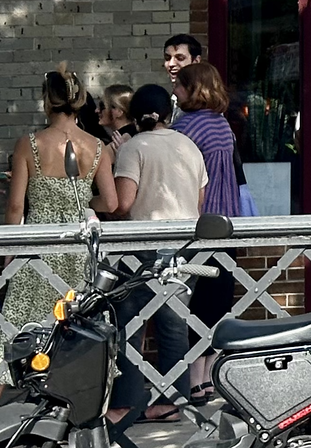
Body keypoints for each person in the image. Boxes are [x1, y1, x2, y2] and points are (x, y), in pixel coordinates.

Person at [0, 69, 117, 400]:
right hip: (78, 247)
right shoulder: (97, 146)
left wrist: (9, 252)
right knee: (76, 332)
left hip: (38, 245)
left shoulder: (29, 144)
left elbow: (15, 206)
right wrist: (83, 200)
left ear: (47, 101)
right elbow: (111, 202)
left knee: (13, 335)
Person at [108, 84, 206, 424]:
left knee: (130, 325)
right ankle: (172, 401)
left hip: (143, 244)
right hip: (185, 245)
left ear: (134, 116)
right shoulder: (189, 146)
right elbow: (199, 200)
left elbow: (123, 203)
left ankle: (126, 403)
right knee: (174, 326)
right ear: (169, 113)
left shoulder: (134, 147)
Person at [172, 61, 240, 400]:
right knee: (219, 300)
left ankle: (194, 379)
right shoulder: (222, 124)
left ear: (192, 89)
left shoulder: (186, 128)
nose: (174, 91)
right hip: (229, 219)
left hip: (200, 222)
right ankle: (210, 376)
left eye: (179, 85)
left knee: (192, 301)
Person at [99, 84, 137, 150]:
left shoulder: (120, 140)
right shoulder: (135, 133)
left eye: (102, 106)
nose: (97, 110)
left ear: (119, 111)